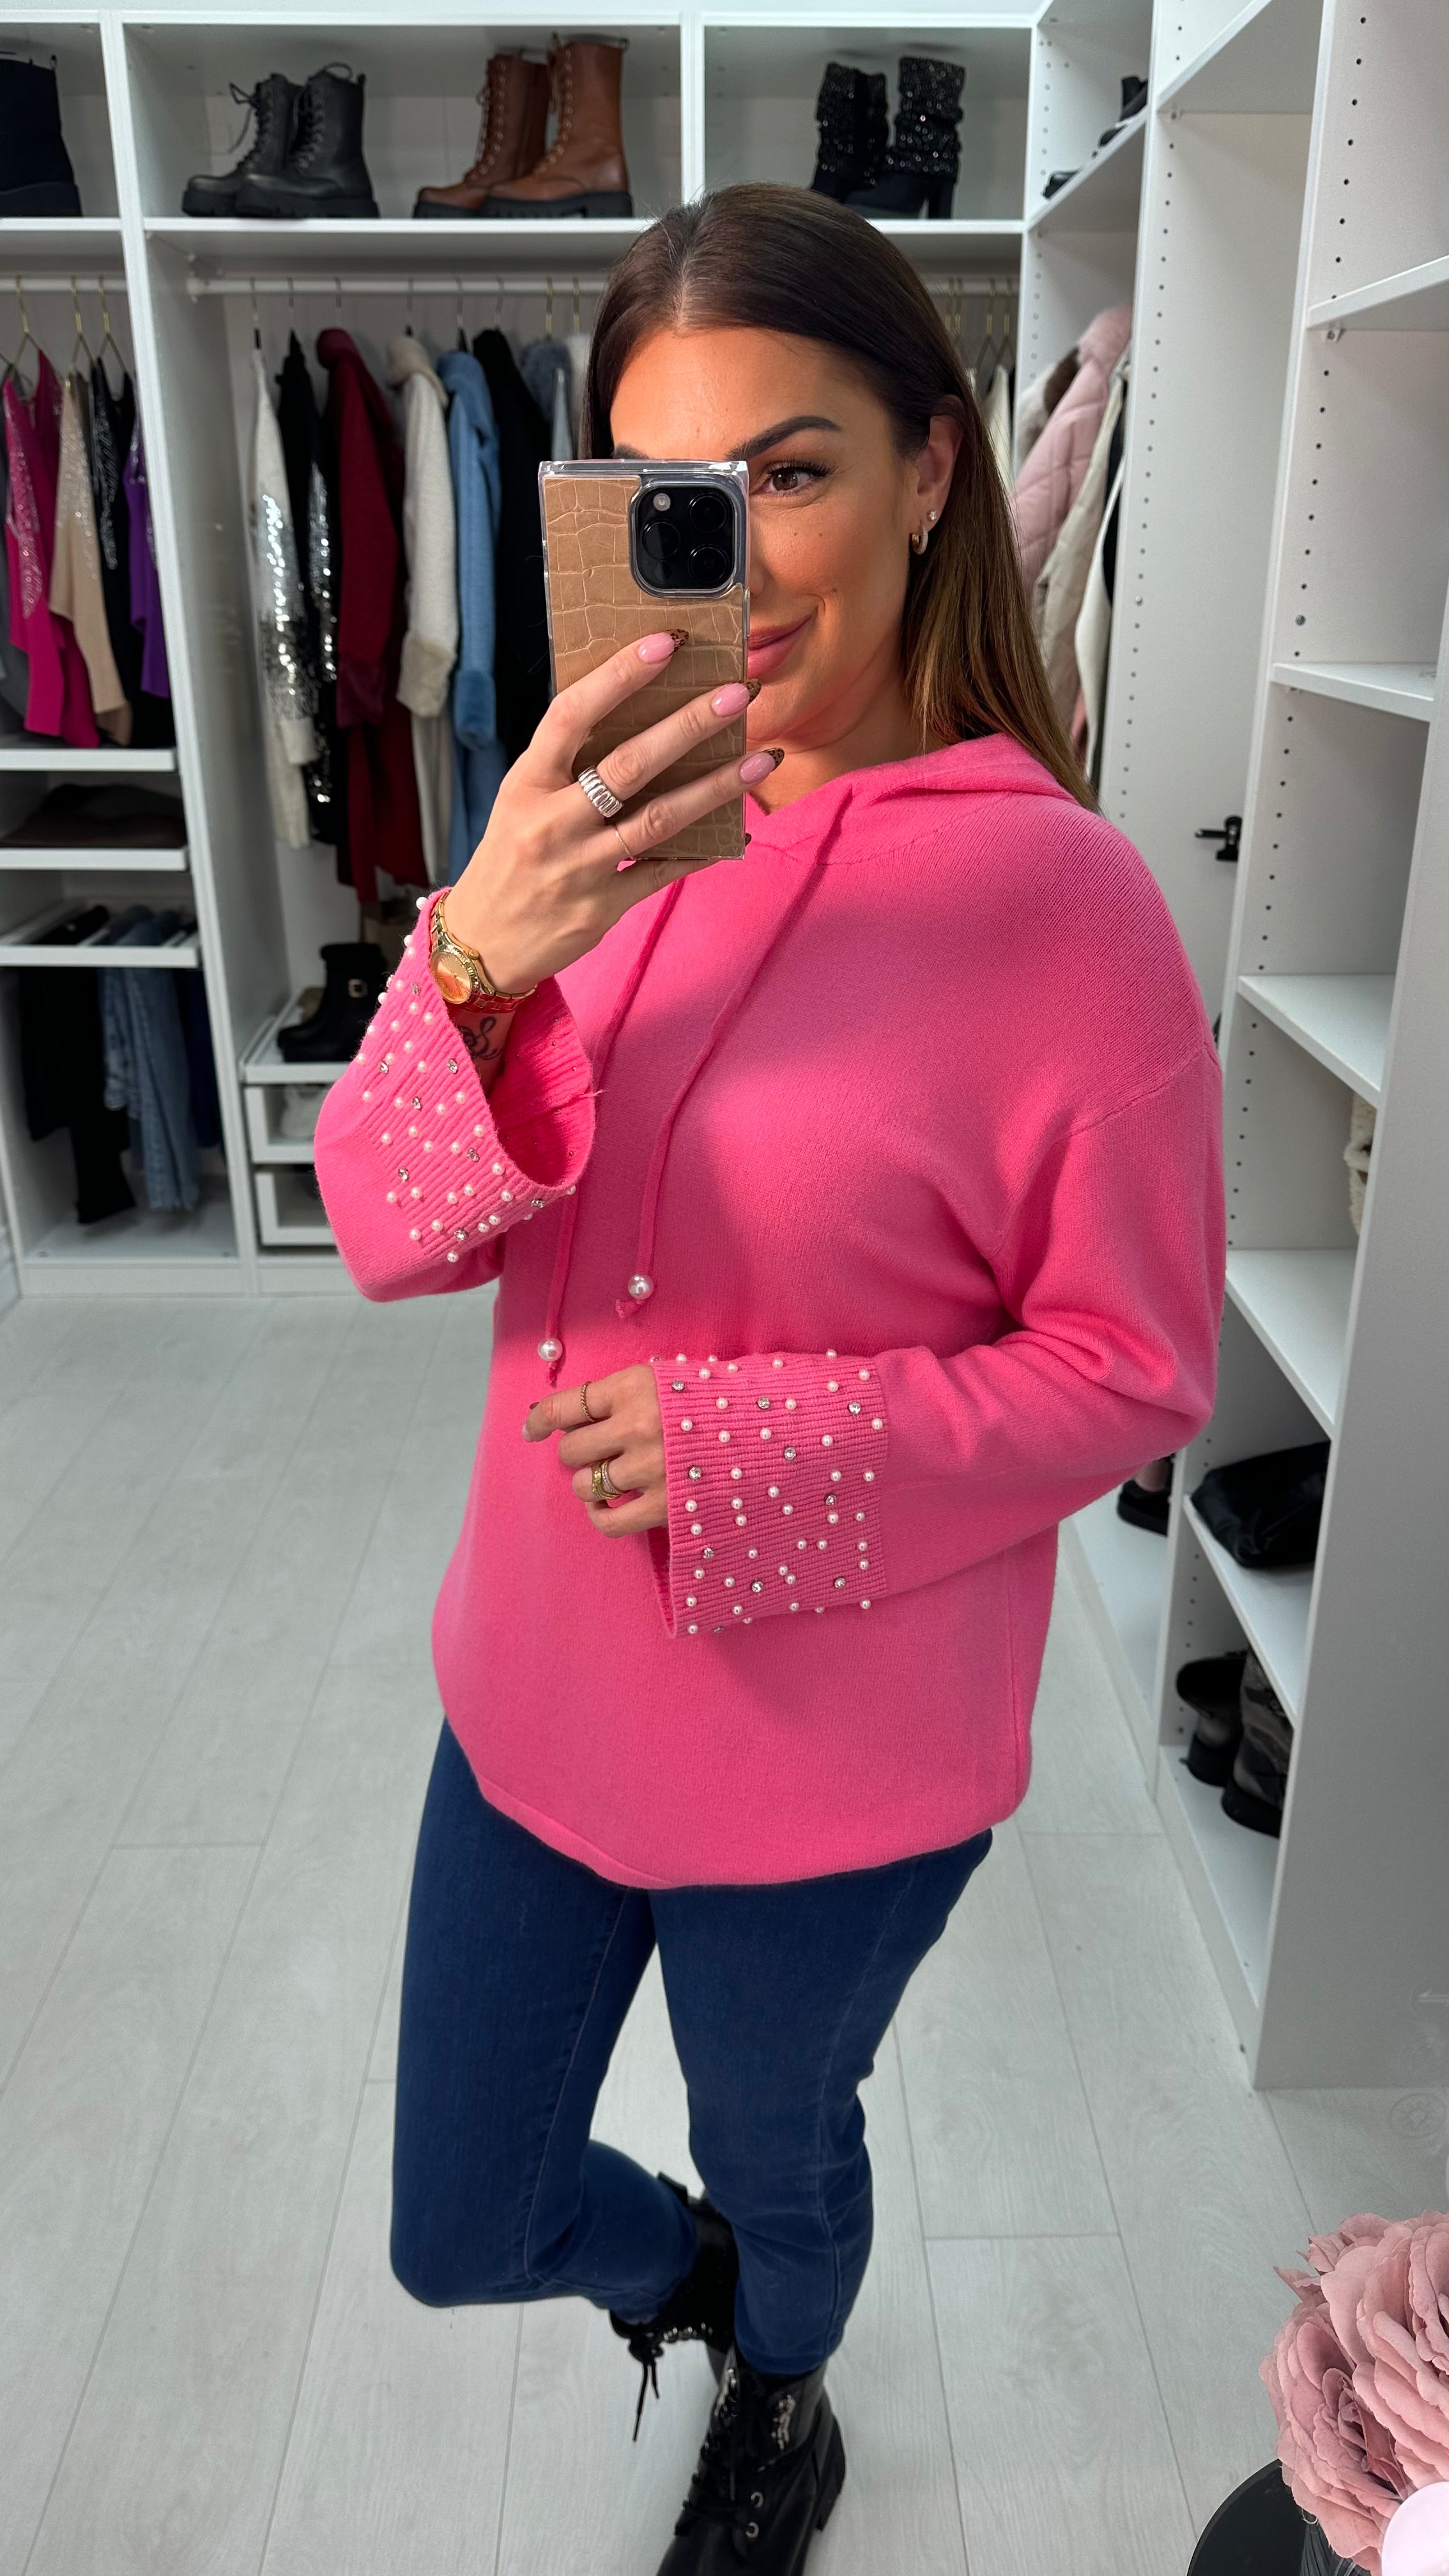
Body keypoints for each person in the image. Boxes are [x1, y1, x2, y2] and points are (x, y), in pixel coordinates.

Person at [313, 183, 1225, 2574]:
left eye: (790, 470)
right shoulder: (591, 823)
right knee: (459, 2215)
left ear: (933, 468)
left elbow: (1134, 1368)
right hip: (532, 1691)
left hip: (836, 1762)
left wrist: (759, 1446)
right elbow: (390, 1228)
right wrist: (481, 953)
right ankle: (703, 2295)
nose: (730, 552)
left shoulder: (1070, 914)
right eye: (665, 493)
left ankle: (783, 2392)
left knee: (780, 2147)